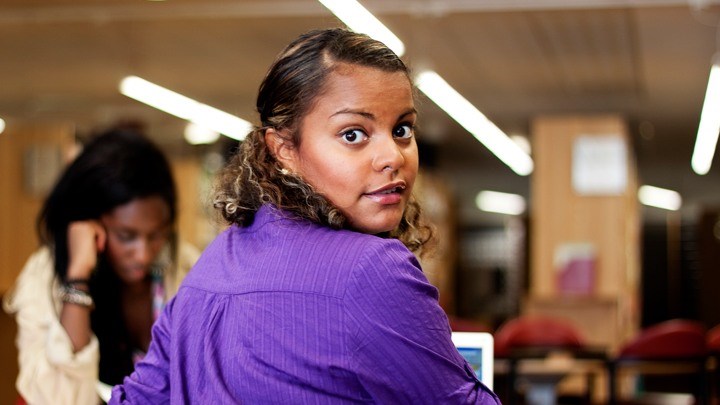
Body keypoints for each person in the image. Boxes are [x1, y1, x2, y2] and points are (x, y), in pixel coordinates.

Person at [109, 28, 500, 404]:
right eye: (353, 134)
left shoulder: (213, 264)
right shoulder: (372, 270)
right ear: (284, 149)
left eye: (402, 129)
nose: (393, 157)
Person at [3, 126, 200, 404]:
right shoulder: (43, 276)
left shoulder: (187, 267)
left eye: (156, 235)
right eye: (126, 236)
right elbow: (55, 399)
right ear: (90, 222)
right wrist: (78, 277)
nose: (143, 255)